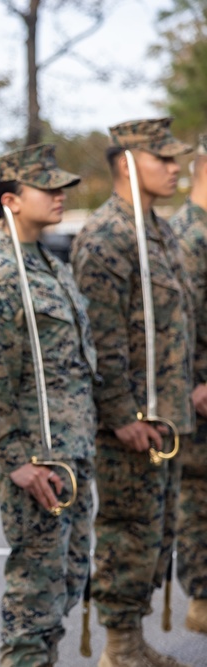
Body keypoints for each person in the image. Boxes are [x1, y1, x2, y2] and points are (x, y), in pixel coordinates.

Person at [71, 118, 194, 667]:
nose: (175, 168)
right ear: (125, 164)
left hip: (165, 416)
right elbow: (101, 335)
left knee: (158, 530)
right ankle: (118, 646)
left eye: (175, 159)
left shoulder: (158, 229)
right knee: (127, 532)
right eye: (162, 159)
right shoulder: (107, 235)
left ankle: (133, 640)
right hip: (133, 423)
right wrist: (121, 414)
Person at [0, 145, 98, 667]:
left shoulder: (49, 263)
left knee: (67, 580)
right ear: (12, 200)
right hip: (38, 459)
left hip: (73, 449)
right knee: (35, 595)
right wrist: (16, 461)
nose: (60, 195)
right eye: (48, 188)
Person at [167, 134, 207, 637]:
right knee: (198, 495)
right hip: (198, 393)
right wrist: (197, 378)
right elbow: (183, 319)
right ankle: (202, 596)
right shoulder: (186, 235)